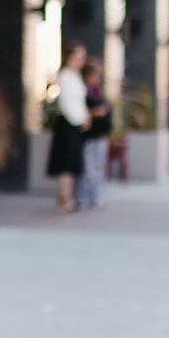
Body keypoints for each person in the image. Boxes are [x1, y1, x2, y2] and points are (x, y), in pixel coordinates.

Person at [47, 41, 89, 212]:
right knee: (65, 163)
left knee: (71, 163)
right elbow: (67, 104)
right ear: (70, 58)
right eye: (78, 57)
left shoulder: (75, 77)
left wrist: (85, 117)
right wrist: (80, 119)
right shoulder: (64, 76)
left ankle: (66, 198)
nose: (81, 61)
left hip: (76, 123)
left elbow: (79, 102)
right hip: (68, 124)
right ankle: (64, 200)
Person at [78, 58, 111, 209]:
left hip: (101, 135)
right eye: (92, 76)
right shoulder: (81, 93)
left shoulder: (98, 93)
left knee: (99, 168)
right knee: (89, 169)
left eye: (97, 76)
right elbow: (79, 113)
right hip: (88, 136)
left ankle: (96, 199)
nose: (95, 79)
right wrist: (93, 113)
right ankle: (84, 198)